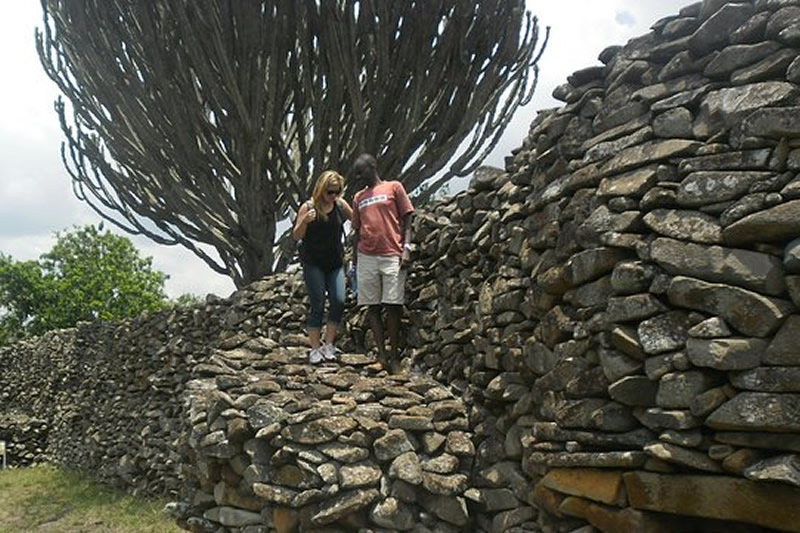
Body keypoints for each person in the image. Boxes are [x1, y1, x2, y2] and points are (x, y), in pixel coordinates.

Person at [350, 153, 414, 372]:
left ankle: (394, 356)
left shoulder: (394, 188)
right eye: (356, 174)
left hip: (391, 252)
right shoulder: (359, 197)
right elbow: (357, 231)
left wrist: (406, 248)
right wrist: (354, 261)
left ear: (373, 167)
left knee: (393, 305)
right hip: (366, 255)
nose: (358, 177)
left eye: (361, 171)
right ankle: (382, 356)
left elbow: (407, 219)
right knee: (372, 306)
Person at [293, 170, 353, 364]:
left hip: (335, 262)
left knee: (338, 300)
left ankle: (329, 344)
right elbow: (297, 235)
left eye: (337, 191)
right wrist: (304, 221)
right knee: (318, 303)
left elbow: (357, 221)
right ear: (321, 189)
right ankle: (315, 348)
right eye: (330, 192)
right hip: (314, 263)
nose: (334, 196)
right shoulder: (308, 207)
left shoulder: (340, 205)